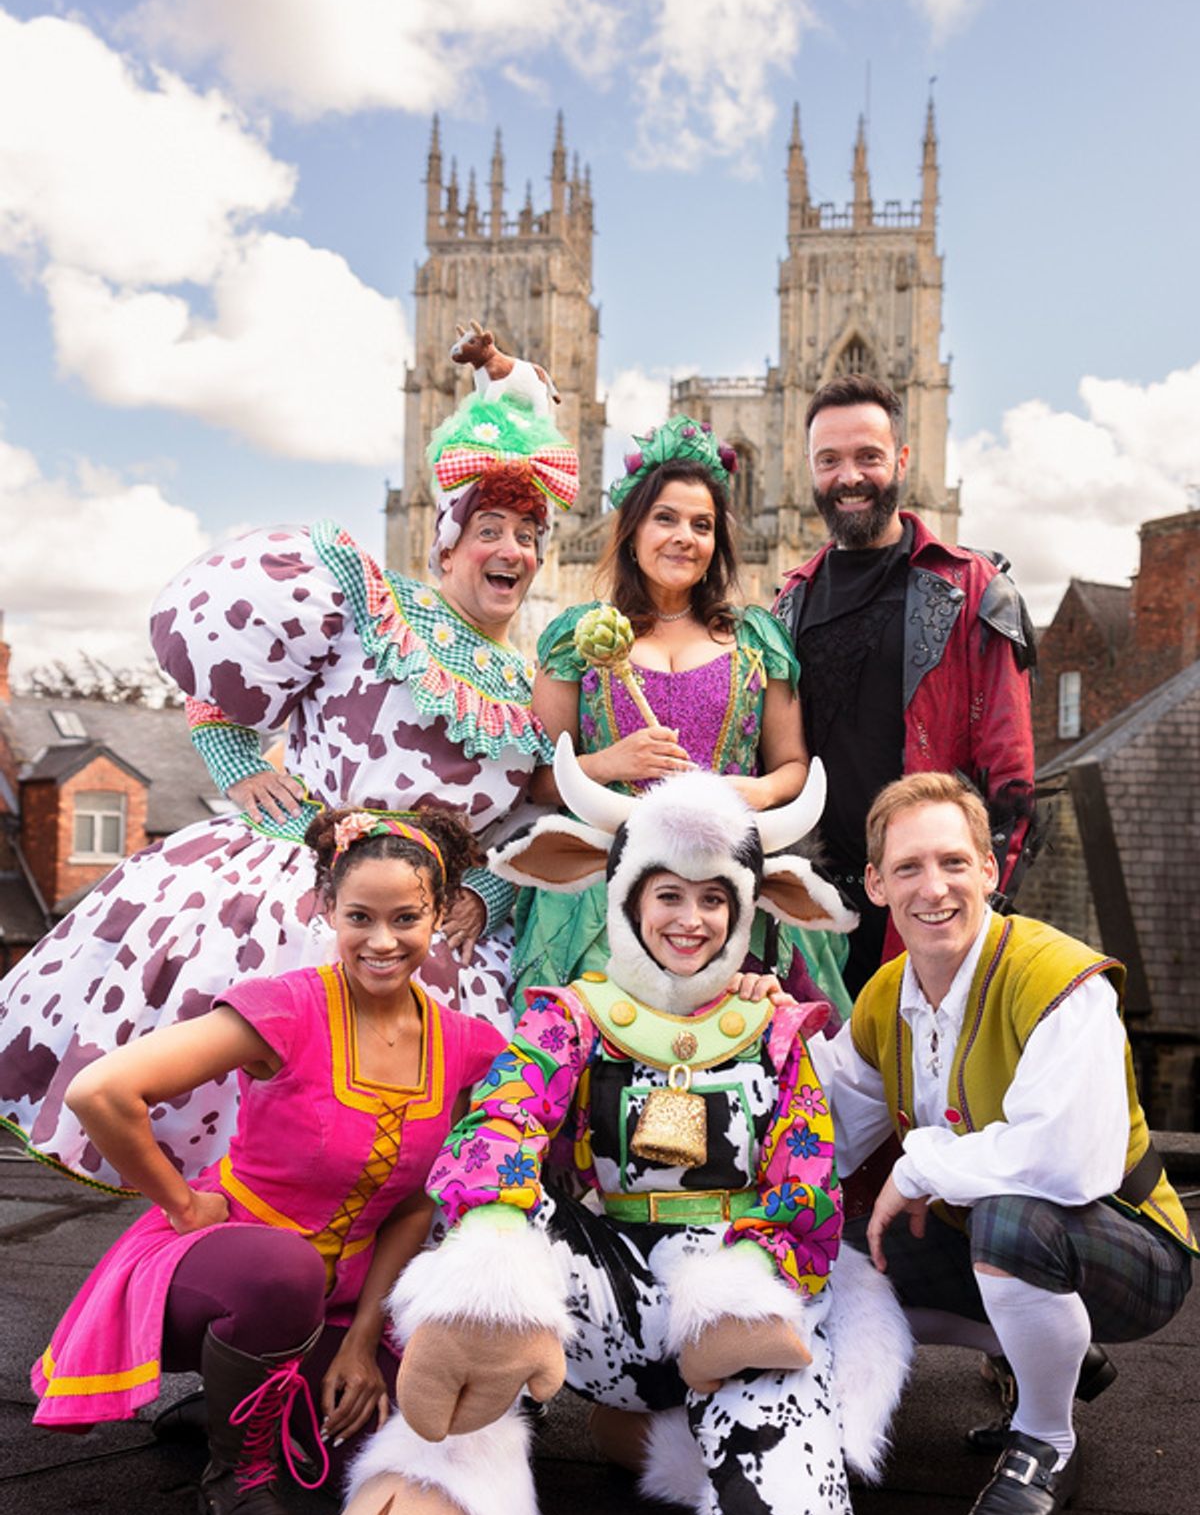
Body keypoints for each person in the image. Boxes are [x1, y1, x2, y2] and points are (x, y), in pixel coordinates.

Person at [313, 739, 910, 1515]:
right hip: (600, 1283)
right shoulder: (572, 1017)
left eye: (715, 898)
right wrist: (489, 1236)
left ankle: (659, 1430)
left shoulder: (776, 1032)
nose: (690, 920)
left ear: (751, 907)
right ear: (626, 896)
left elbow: (807, 1179)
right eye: (667, 893)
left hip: (735, 1313)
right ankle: (445, 1480)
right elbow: (502, 1120)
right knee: (491, 1260)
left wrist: (754, 1272)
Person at [0, 348, 576, 1189]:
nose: (512, 550)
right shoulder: (371, 604)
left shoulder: (533, 688)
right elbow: (222, 668)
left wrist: (485, 892)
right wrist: (234, 760)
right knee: (251, 1104)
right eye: (489, 529)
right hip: (294, 883)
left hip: (424, 924)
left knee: (400, 1157)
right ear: (446, 544)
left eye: (528, 535)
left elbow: (529, 825)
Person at [29, 808, 506, 1515]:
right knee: (281, 1273)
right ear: (324, 909)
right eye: (359, 917)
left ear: (439, 914)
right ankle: (236, 1470)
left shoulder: (466, 1043)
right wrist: (184, 1203)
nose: (382, 941)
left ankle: (236, 1408)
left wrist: (359, 1345)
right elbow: (101, 1092)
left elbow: (415, 1206)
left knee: (392, 1437)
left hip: (341, 1297)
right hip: (225, 1270)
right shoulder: (286, 1006)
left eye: (407, 918)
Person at [812, 772, 1196, 1515]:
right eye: (910, 868)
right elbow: (820, 1126)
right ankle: (1044, 1346)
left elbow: (1066, 1162)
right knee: (831, 1269)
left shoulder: (1059, 977)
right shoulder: (886, 994)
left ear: (990, 871)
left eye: (955, 862)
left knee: (1012, 1220)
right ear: (877, 885)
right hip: (981, 1237)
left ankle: (1046, 1442)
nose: (935, 887)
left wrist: (917, 1166)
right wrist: (738, 1023)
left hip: (1131, 1246)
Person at [515, 412, 850, 1022]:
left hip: (725, 888)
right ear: (633, 529)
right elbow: (535, 780)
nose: (683, 538)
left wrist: (757, 789)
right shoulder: (576, 639)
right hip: (602, 897)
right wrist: (606, 763)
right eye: (665, 519)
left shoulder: (757, 640)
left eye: (702, 525)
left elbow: (794, 766)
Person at [774, 373, 1036, 998]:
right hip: (817, 919)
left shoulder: (971, 589)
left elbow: (1013, 781)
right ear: (810, 470)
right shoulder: (790, 601)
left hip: (930, 911)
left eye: (869, 456)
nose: (850, 477)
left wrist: (975, 916)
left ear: (902, 460)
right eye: (830, 460)